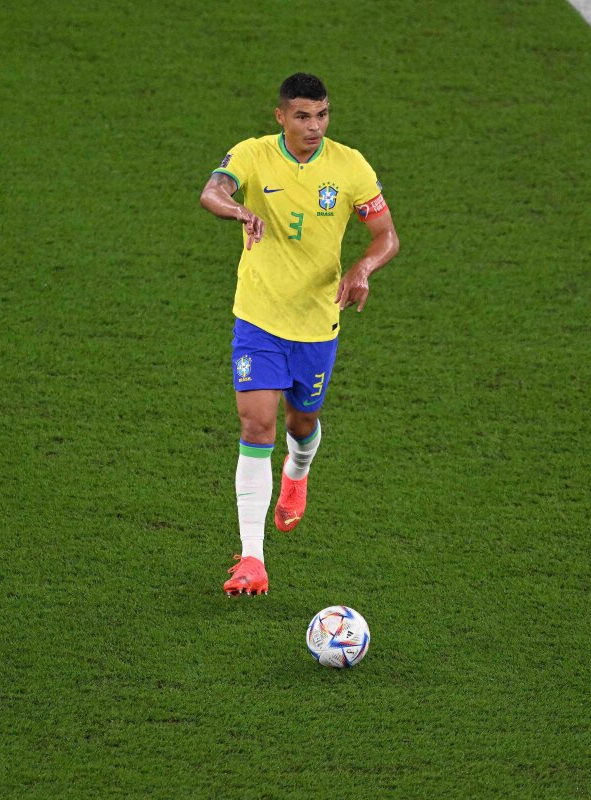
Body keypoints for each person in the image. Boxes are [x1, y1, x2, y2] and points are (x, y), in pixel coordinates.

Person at [199, 72, 400, 596]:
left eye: (323, 115)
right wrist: (239, 209)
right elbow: (212, 192)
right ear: (281, 116)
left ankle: (299, 468)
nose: (315, 126)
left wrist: (362, 269)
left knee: (302, 421)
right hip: (259, 318)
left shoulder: (350, 166)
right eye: (304, 116)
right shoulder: (254, 154)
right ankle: (252, 559)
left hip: (316, 322)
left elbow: (386, 235)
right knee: (256, 425)